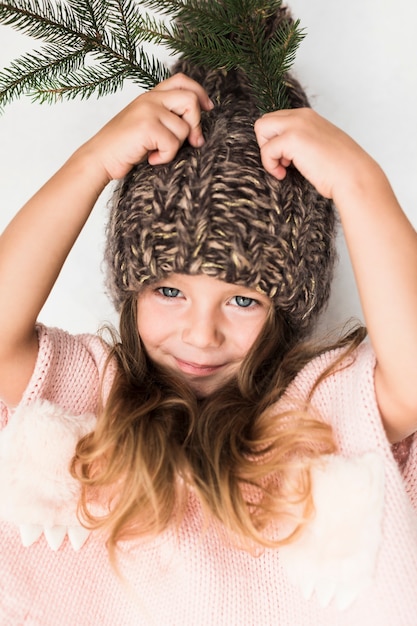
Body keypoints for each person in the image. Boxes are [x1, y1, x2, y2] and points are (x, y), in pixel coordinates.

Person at [0, 25, 417, 626]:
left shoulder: (318, 417)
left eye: (243, 300)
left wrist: (360, 184)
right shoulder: (91, 397)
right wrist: (92, 163)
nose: (201, 335)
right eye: (169, 290)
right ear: (132, 290)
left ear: (286, 309)